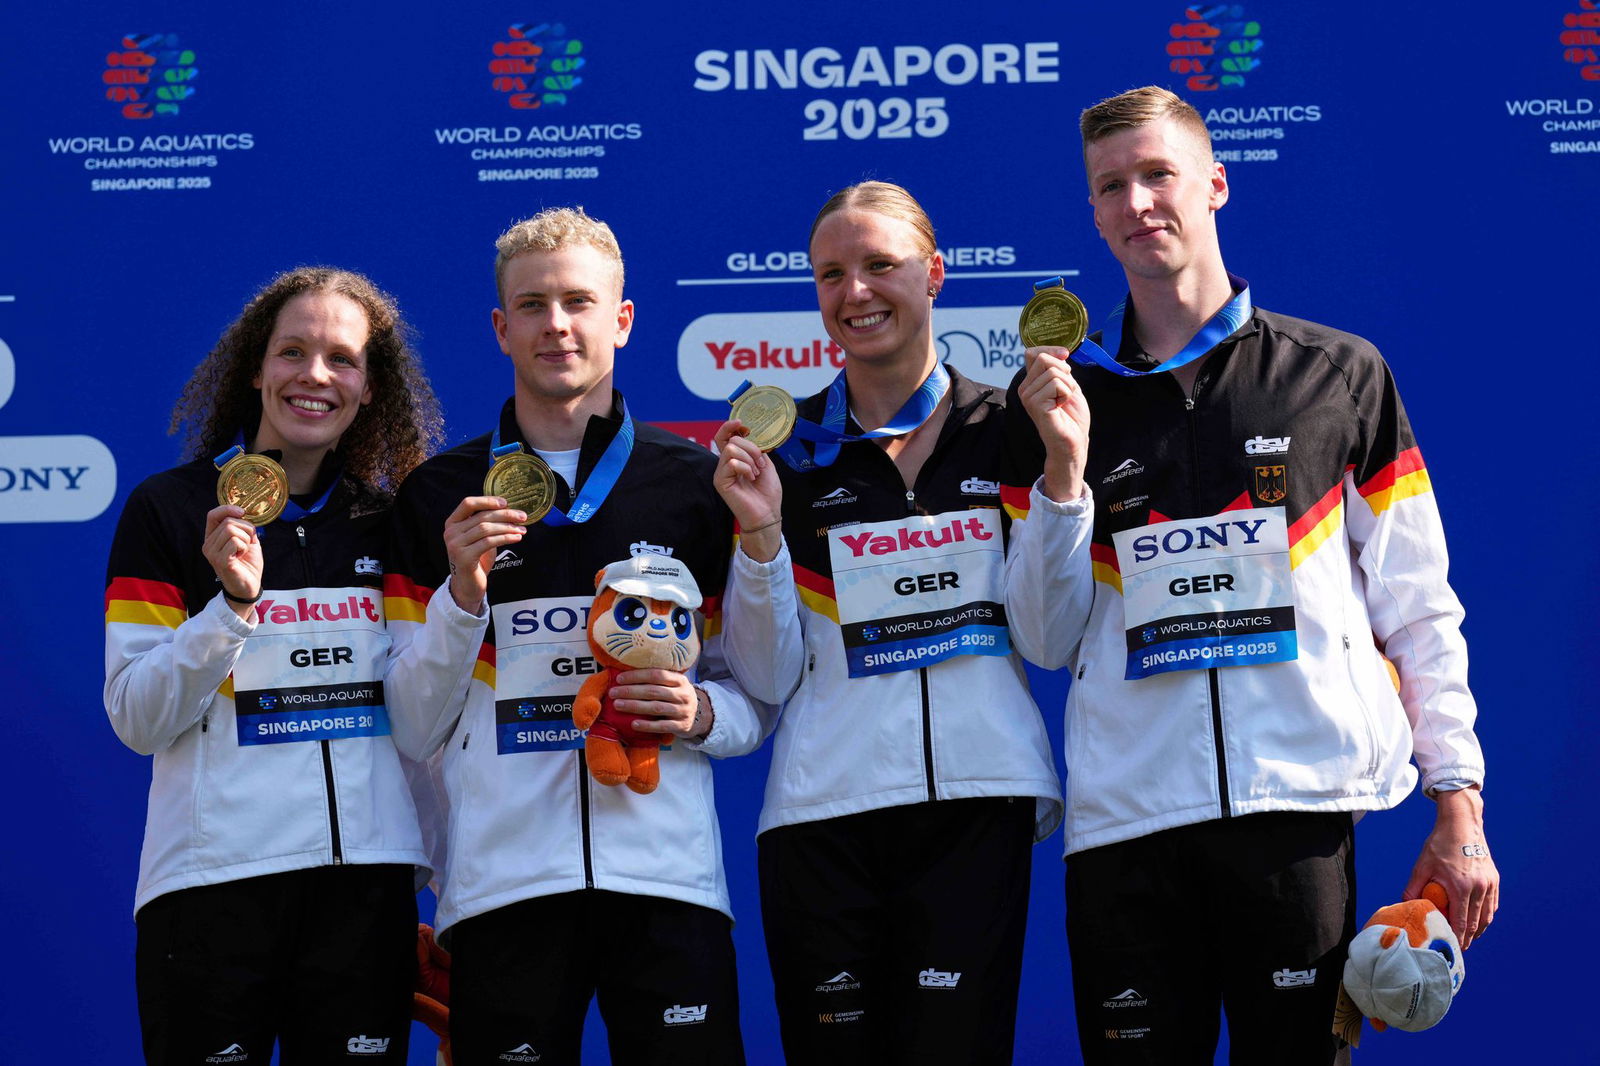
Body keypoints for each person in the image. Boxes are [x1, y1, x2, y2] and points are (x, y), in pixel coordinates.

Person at [1004, 85, 1500, 1063]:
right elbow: (1046, 638)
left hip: (1296, 816)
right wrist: (1062, 472)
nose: (1138, 201)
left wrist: (1459, 799)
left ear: (1215, 184)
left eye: (1159, 174)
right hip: (1126, 828)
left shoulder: (1339, 374)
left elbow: (1418, 607)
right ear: (1094, 214)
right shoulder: (1062, 402)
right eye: (1111, 186)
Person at [384, 207, 764, 1065]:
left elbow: (757, 692)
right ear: (500, 328)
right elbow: (411, 722)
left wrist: (701, 714)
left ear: (621, 320)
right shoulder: (438, 496)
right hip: (502, 889)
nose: (556, 324)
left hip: (667, 881)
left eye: (578, 302)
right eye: (532, 305)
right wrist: (460, 596)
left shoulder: (696, 486)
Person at [714, 181, 1062, 1065]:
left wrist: (1063, 477)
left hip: (977, 806)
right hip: (823, 814)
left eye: (879, 264)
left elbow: (1051, 636)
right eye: (831, 274)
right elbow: (766, 676)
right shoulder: (787, 452)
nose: (855, 292)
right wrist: (760, 535)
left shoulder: (1010, 429)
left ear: (934, 274)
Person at [103, 266, 444, 1064]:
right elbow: (137, 716)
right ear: (256, 368)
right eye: (293, 351)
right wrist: (230, 608)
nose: (314, 375)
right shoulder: (171, 510)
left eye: (342, 359)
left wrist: (441, 877)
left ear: (369, 388)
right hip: (212, 888)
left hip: (364, 894)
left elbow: (425, 718)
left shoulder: (390, 523)